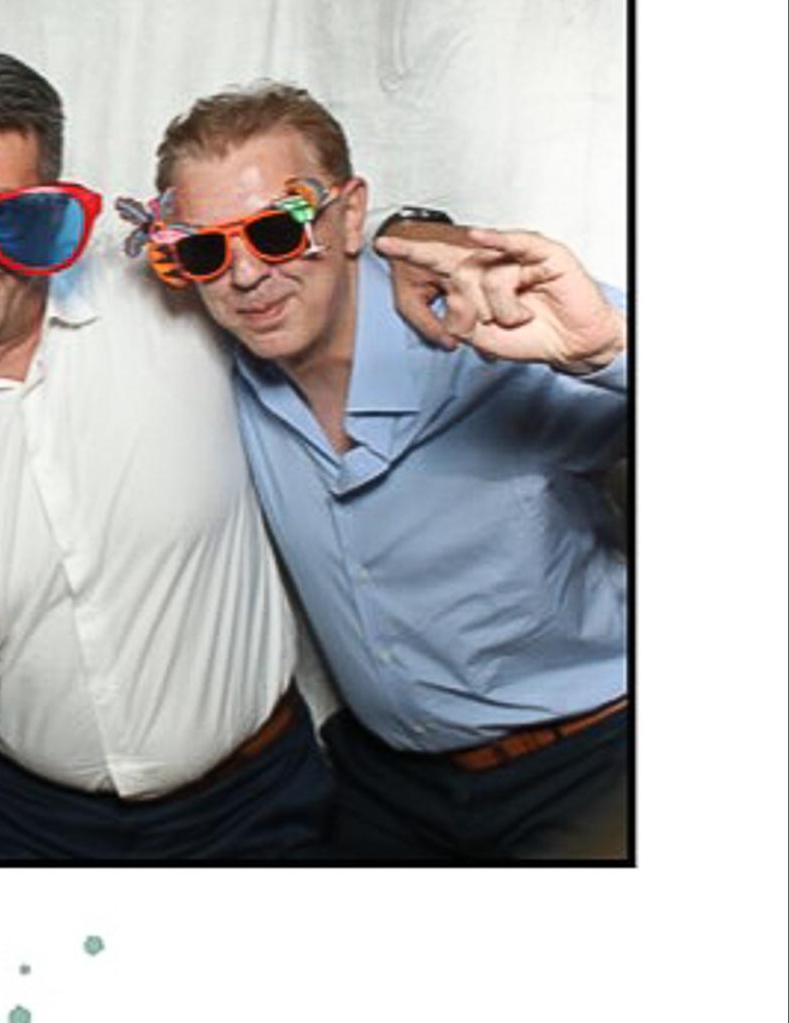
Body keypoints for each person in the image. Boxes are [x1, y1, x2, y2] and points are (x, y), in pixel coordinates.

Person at [0, 46, 328, 864]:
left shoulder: (172, 301)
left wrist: (413, 240)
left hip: (256, 811)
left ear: (49, 210)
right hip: (30, 832)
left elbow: (309, 262)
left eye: (5, 216)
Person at [143, 88, 629, 864]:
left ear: (346, 217)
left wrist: (609, 352)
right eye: (205, 250)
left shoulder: (491, 324)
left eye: (276, 231)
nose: (244, 274)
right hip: (386, 785)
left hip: (587, 762)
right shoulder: (211, 376)